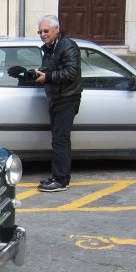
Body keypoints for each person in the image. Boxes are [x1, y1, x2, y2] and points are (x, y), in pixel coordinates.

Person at [33, 15, 83, 192]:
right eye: (40, 31)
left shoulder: (67, 46)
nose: (43, 34)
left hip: (67, 98)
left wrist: (48, 77)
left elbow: (71, 72)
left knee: (60, 140)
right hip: (56, 98)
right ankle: (58, 176)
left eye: (46, 31)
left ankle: (61, 180)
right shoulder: (50, 47)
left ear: (56, 30)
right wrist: (38, 73)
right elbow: (53, 68)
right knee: (58, 140)